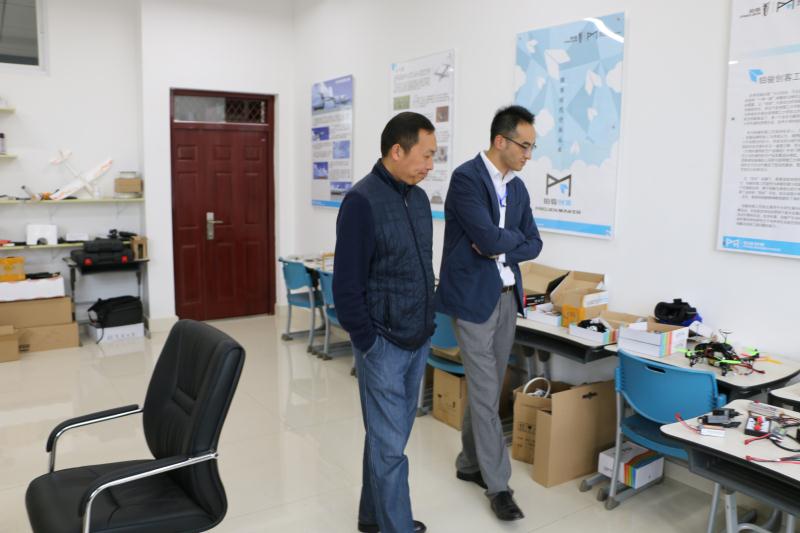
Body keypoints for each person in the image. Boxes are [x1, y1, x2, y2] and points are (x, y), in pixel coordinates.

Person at [435, 105, 543, 521]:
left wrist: (501, 243)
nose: (528, 154)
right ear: (501, 140)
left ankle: (468, 462)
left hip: (507, 297)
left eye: (532, 147)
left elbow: (533, 243)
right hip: (473, 299)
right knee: (484, 390)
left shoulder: (517, 188)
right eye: (524, 146)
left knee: (488, 387)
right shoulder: (466, 179)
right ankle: (499, 487)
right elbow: (487, 237)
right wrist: (501, 241)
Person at [333, 112, 437, 533]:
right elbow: (346, 285)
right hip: (384, 344)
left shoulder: (420, 200)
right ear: (397, 150)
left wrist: (428, 322)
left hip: (418, 336)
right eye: (425, 155)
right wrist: (369, 342)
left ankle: (371, 516)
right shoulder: (361, 202)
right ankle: (396, 526)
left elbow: (421, 267)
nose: (431, 164)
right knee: (391, 446)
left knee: (385, 437)